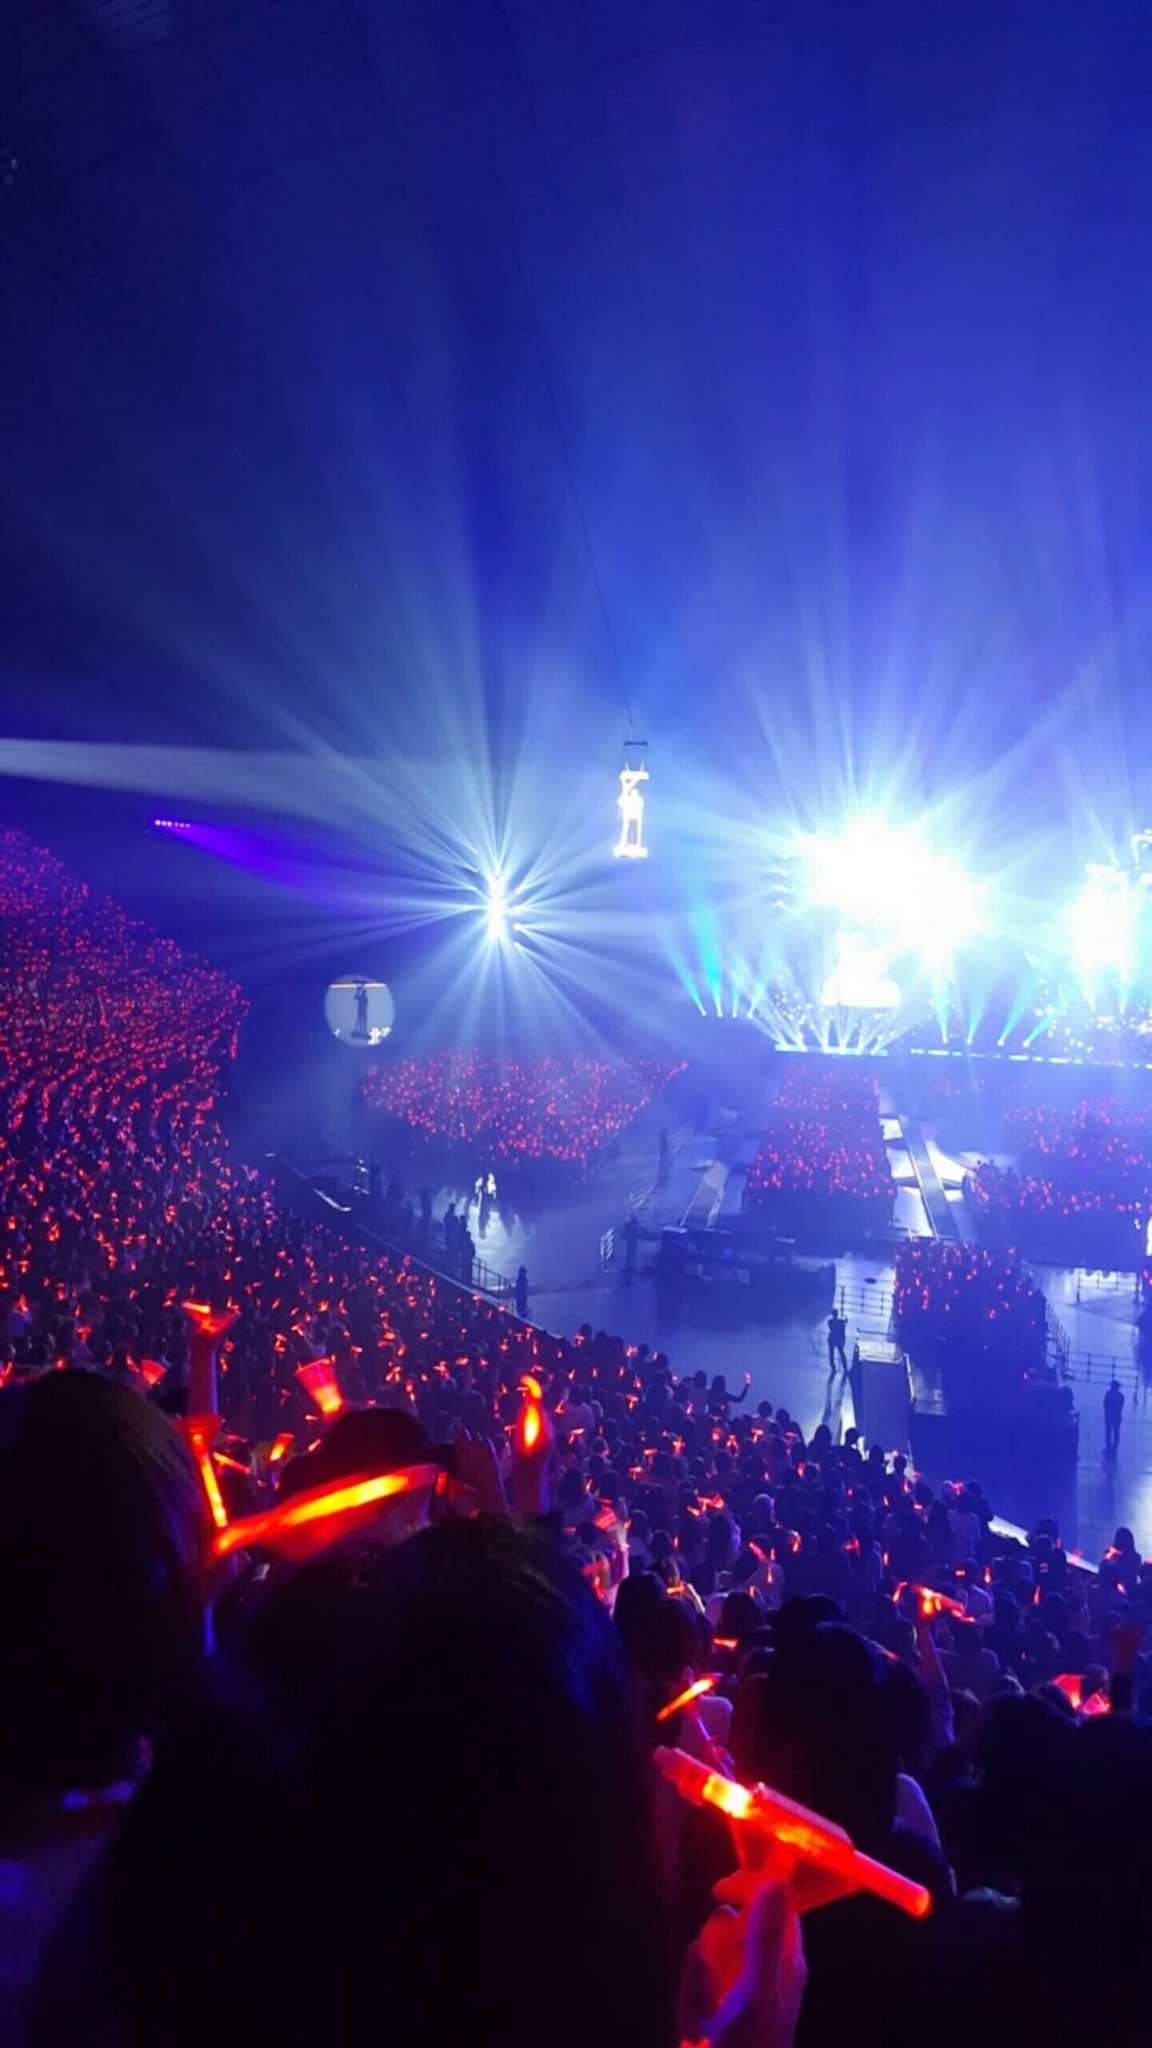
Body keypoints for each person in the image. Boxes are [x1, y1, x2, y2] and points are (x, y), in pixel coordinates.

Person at [1104, 1376, 1125, 1456]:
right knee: (1109, 1432)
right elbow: (1105, 1405)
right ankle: (1109, 1446)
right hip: (1111, 1415)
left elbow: (1119, 1407)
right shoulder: (1119, 1396)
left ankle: (1113, 1447)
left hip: (1114, 1416)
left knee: (1115, 1432)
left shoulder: (1111, 1395)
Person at [826, 1308, 848, 1374]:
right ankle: (845, 1367)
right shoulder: (840, 1322)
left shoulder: (830, 1322)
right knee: (842, 1353)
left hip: (832, 1339)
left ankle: (833, 1368)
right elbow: (843, 1331)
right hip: (838, 1340)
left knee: (831, 1354)